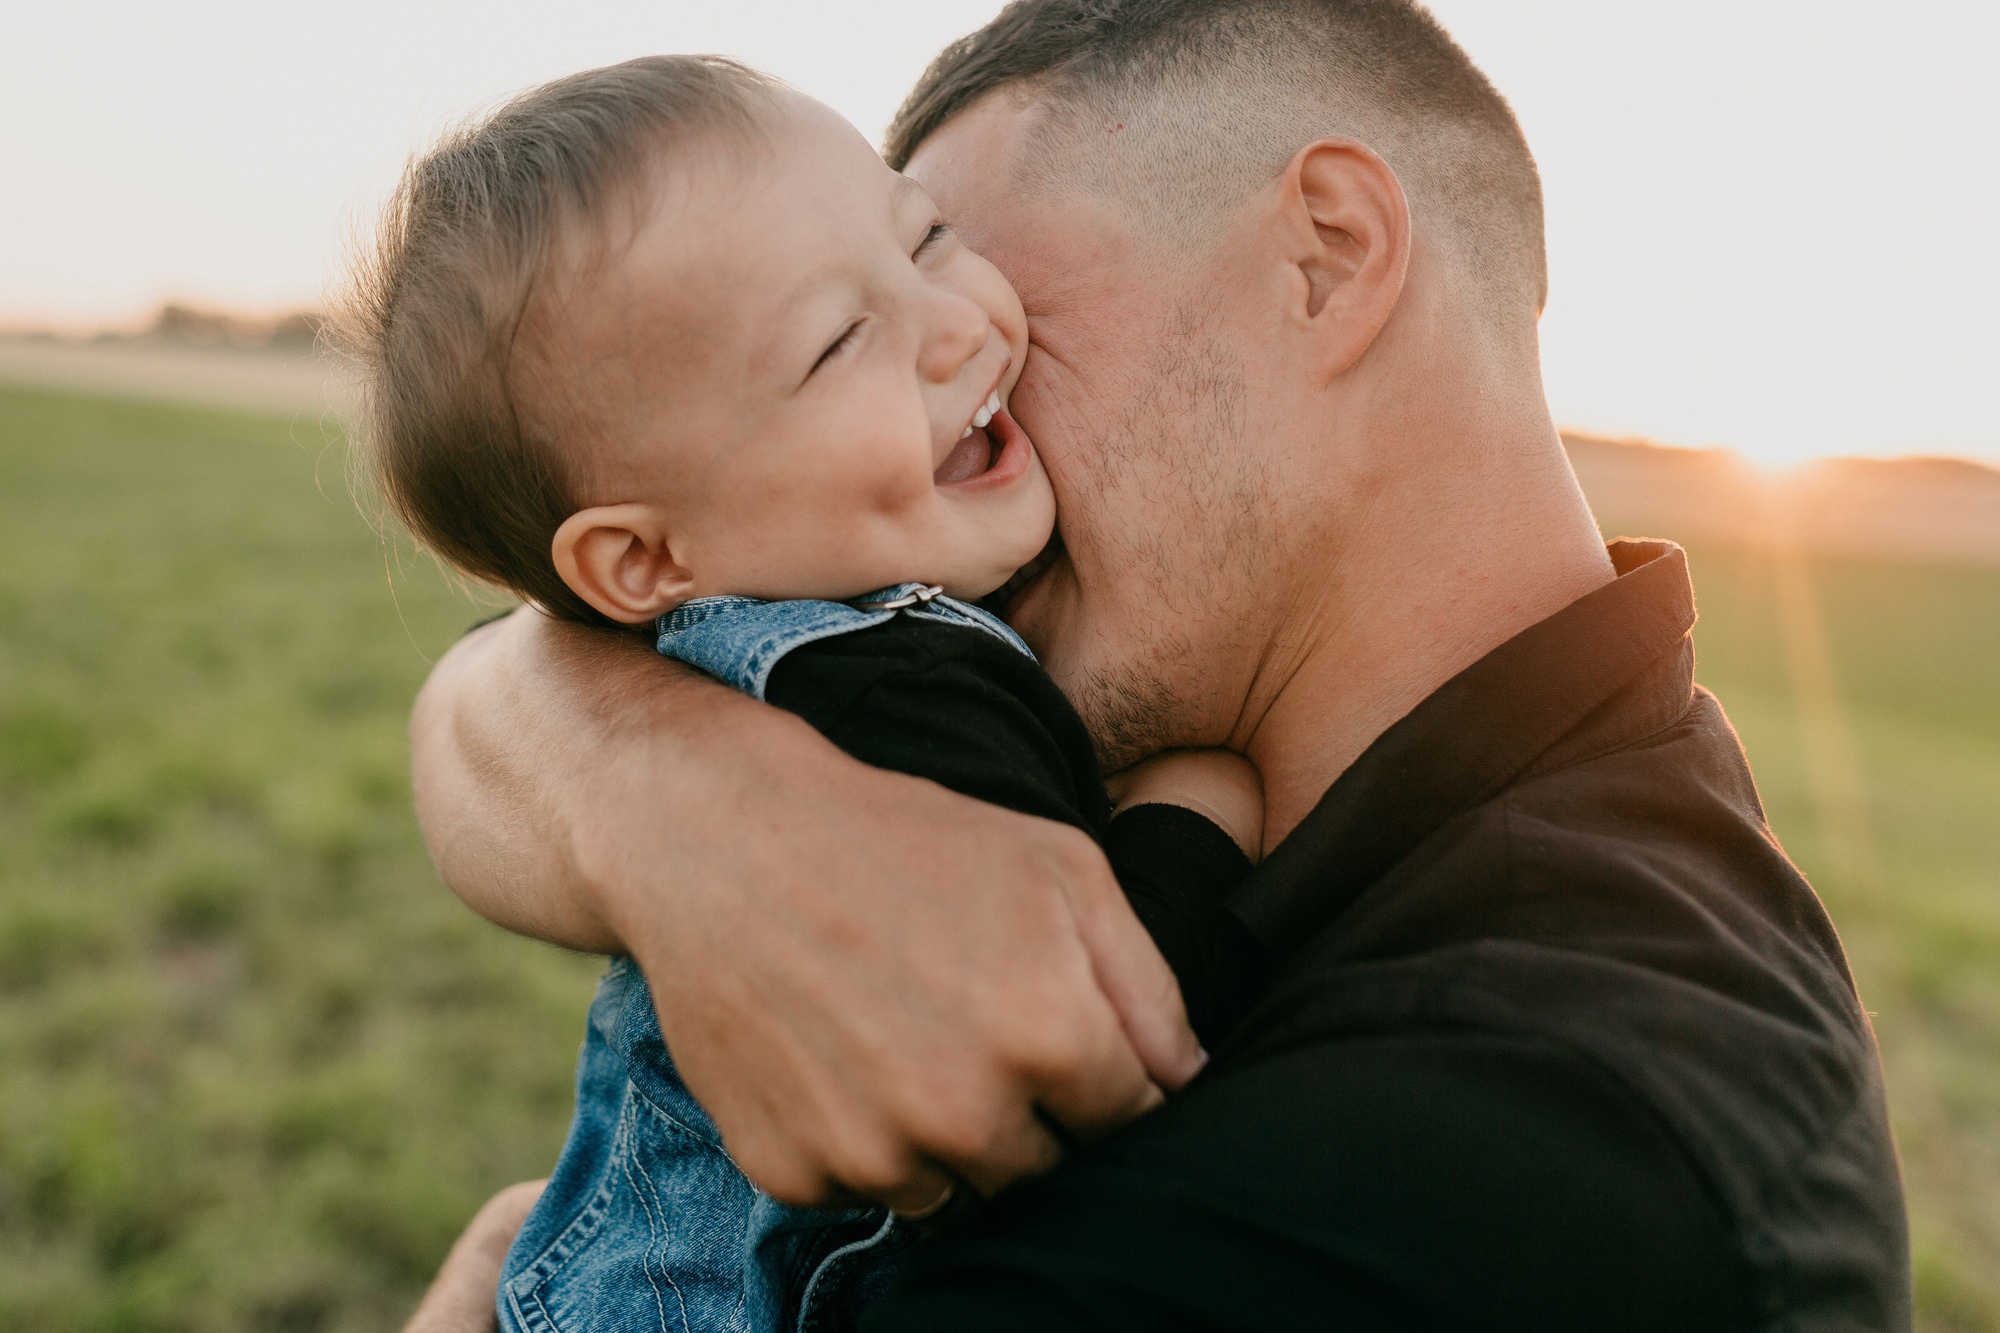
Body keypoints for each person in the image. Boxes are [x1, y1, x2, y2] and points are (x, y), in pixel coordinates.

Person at [407, 0, 1912, 1327]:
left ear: (1327, 256)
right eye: (842, 340)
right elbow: (540, 667)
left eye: (967, 275)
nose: (964, 364)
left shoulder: (1522, 1136)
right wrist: (680, 810)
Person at [340, 55, 1266, 1330]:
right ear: (646, 560)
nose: (958, 324)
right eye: (838, 343)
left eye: (924, 236)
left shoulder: (747, 644)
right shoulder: (896, 693)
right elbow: (1090, 1019)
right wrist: (1196, 808)